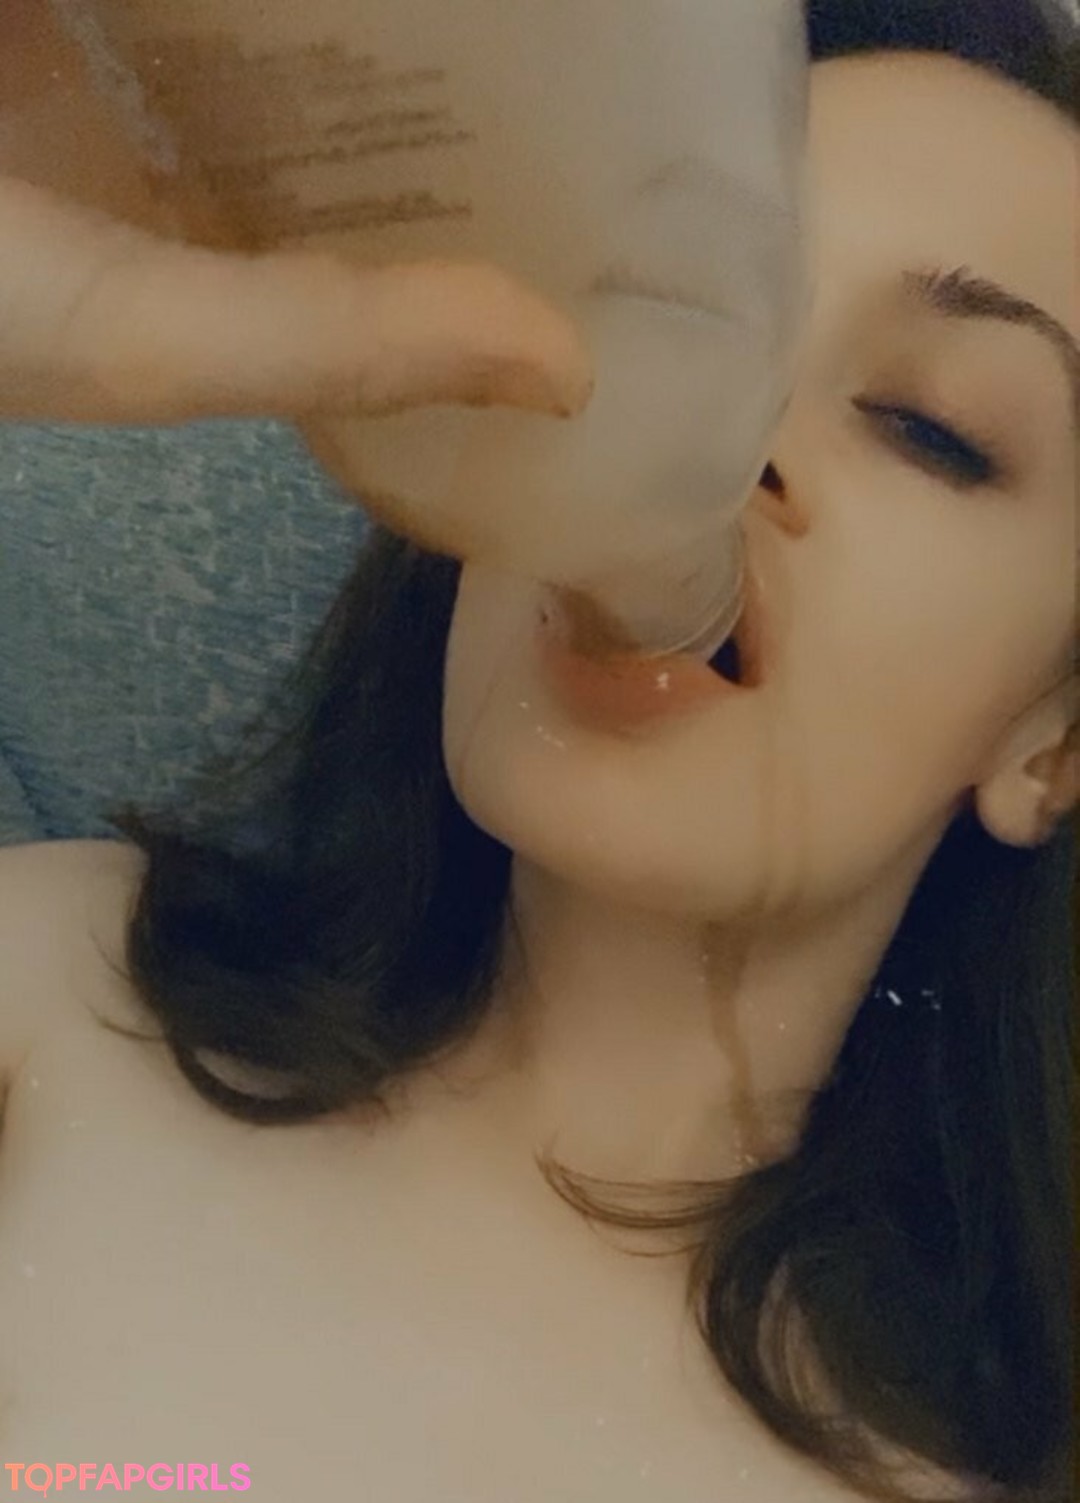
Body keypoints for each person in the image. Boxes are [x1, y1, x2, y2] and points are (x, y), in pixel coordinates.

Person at [0, 2, 1075, 1500]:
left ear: (1051, 743)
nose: (727, 430)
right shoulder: (48, 995)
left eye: (928, 426)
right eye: (673, 309)